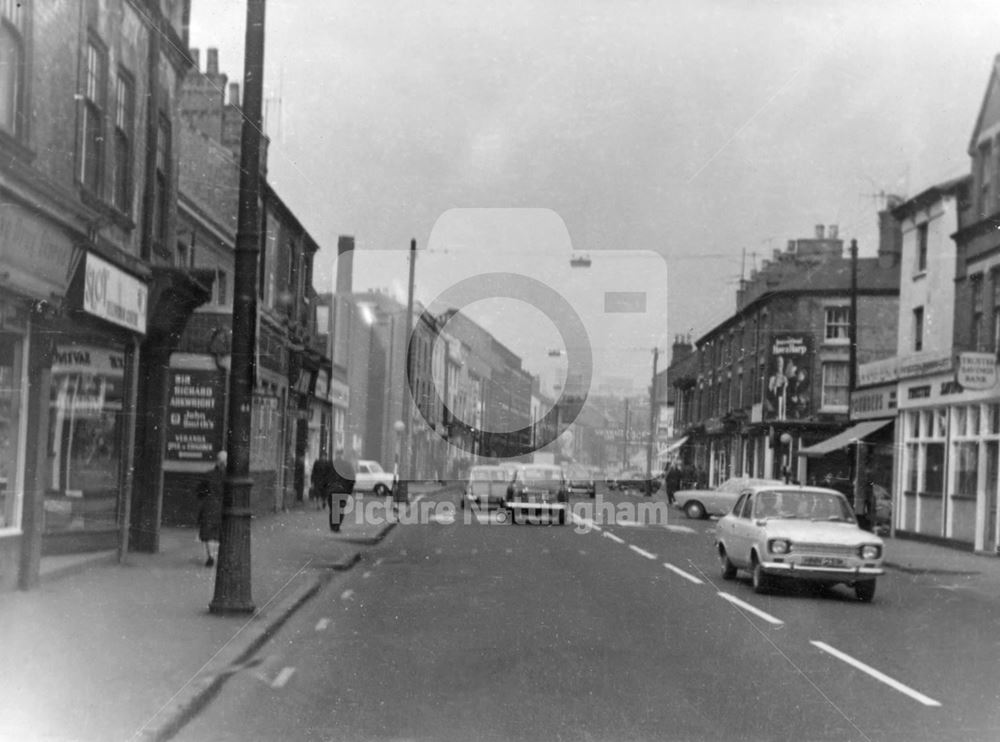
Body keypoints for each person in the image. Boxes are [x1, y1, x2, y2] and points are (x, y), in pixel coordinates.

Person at [197, 450, 226, 567]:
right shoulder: (229, 477)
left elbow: (199, 491)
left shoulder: (208, 475)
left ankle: (211, 556)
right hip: (223, 507)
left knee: (208, 533)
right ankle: (217, 557)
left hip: (209, 506)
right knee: (220, 532)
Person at [328, 449, 356, 532]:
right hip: (342, 490)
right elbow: (352, 479)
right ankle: (336, 526)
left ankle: (333, 526)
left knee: (333, 509)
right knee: (340, 509)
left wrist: (326, 488)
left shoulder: (331, 465)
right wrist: (349, 491)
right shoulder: (347, 465)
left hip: (332, 490)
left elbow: (325, 478)